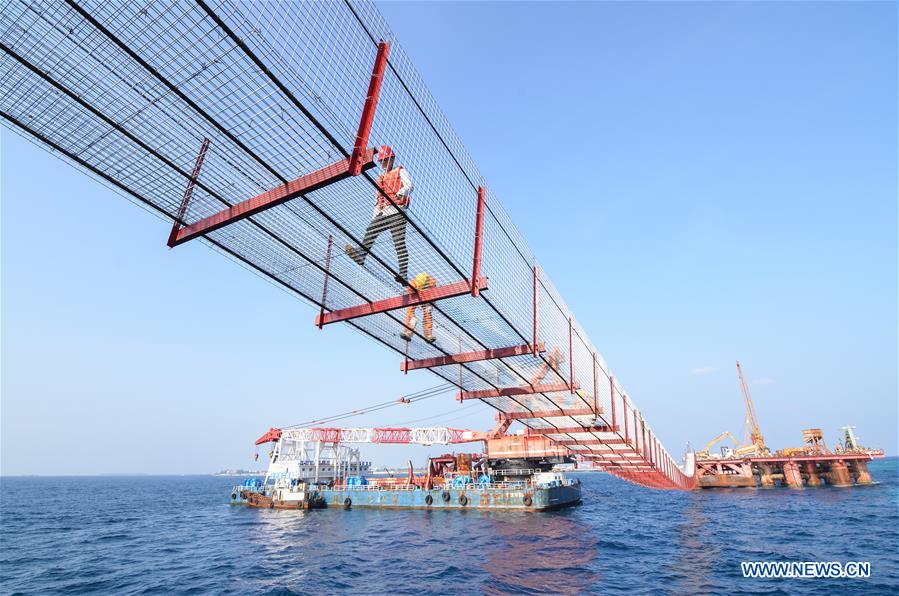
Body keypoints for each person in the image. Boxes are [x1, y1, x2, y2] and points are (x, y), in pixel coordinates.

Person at [345, 145, 413, 283]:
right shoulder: (381, 177)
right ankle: (361, 256)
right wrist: (375, 216)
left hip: (398, 211)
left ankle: (403, 274)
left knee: (399, 242)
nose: (384, 163)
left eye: (386, 160)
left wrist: (401, 193)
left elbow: (409, 185)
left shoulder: (400, 171)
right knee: (370, 231)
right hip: (384, 212)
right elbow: (378, 199)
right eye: (382, 161)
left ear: (391, 159)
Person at [401, 272, 436, 343]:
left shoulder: (432, 282)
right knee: (410, 311)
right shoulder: (413, 283)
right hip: (415, 295)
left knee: (427, 314)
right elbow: (408, 295)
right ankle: (408, 332)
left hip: (427, 296)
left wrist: (431, 305)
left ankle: (428, 335)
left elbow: (434, 293)